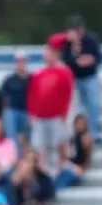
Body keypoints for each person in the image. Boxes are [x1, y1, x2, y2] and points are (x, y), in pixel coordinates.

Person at [28, 44, 74, 174]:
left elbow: (67, 93)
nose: (46, 56)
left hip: (56, 115)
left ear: (55, 55)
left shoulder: (63, 72)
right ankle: (44, 171)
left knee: (58, 144)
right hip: (40, 116)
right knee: (41, 146)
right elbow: (32, 94)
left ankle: (59, 171)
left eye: (49, 53)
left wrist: (65, 113)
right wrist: (32, 113)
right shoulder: (38, 73)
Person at [61, 15, 102, 141]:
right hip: (74, 78)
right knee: (74, 107)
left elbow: (100, 57)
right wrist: (74, 54)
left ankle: (94, 133)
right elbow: (65, 61)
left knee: (93, 105)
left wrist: (91, 60)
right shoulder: (67, 43)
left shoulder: (92, 39)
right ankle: (76, 133)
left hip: (90, 76)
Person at [1, 51, 31, 146]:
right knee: (9, 115)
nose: (20, 64)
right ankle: (13, 153)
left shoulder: (32, 79)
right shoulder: (9, 80)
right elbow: (4, 99)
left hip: (27, 111)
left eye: (22, 61)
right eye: (18, 61)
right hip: (13, 111)